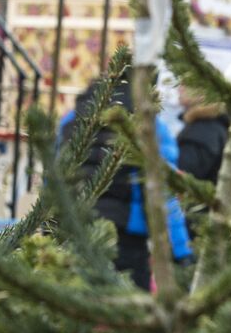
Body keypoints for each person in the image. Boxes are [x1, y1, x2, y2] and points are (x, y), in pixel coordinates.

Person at [59, 78, 183, 289]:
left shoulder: (71, 120)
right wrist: (180, 250)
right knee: (131, 311)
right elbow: (164, 190)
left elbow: (53, 176)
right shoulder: (151, 126)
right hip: (128, 234)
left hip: (76, 226)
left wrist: (48, 224)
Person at [176, 82, 229, 183]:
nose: (179, 88)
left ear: (203, 93)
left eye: (186, 83)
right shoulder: (210, 125)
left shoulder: (204, 129)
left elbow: (183, 177)